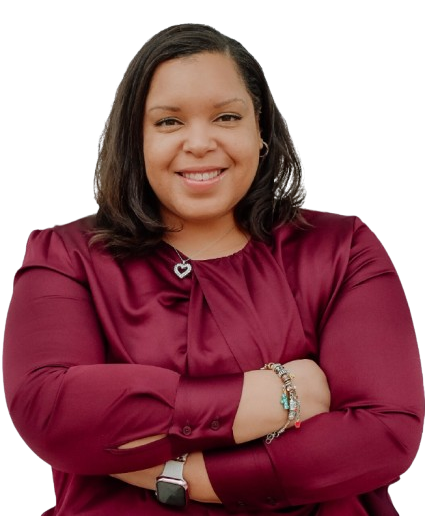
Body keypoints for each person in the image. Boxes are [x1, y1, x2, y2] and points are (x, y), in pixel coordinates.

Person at [2, 22, 423, 516]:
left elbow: (385, 433)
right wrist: (281, 394)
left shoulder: (342, 248)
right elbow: (49, 410)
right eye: (168, 122)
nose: (199, 143)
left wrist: (180, 476)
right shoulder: (67, 254)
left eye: (226, 117)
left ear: (260, 130)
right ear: (133, 137)